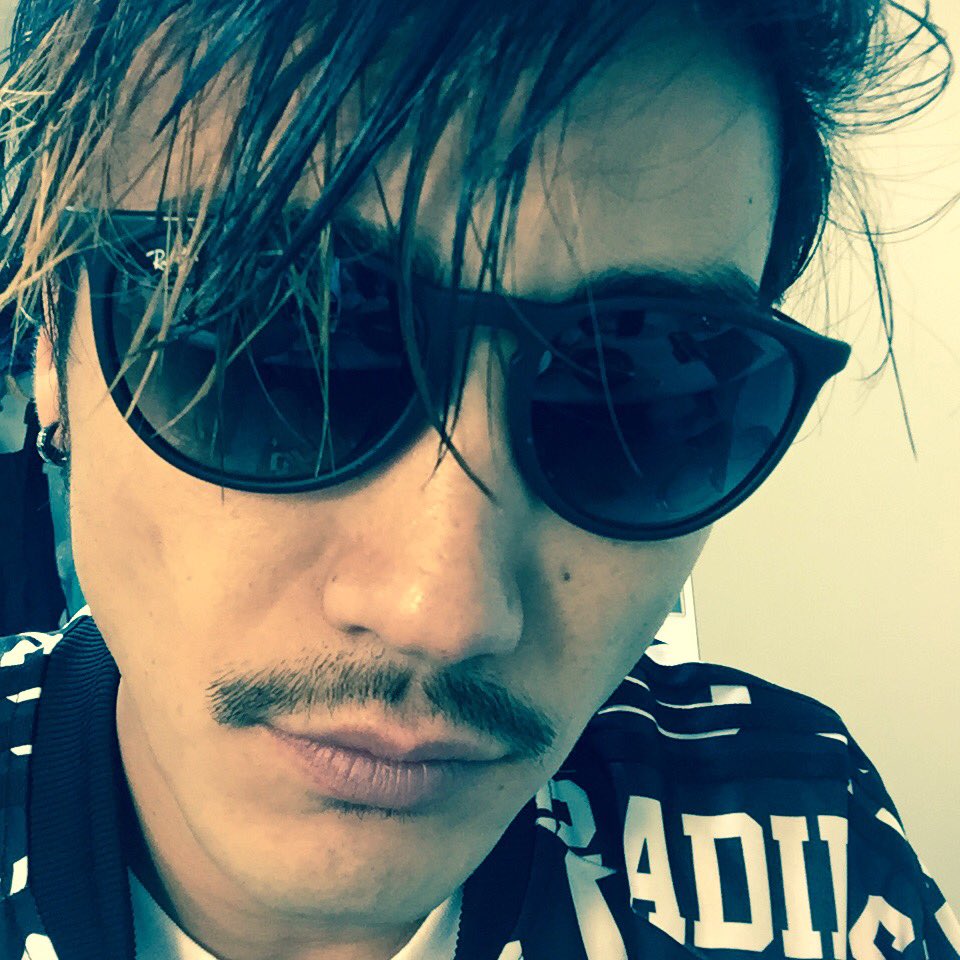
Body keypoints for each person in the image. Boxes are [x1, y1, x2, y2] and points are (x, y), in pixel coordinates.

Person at [0, 1, 956, 958]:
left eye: (628, 392)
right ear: (49, 336)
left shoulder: (815, 848)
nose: (443, 611)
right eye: (282, 349)